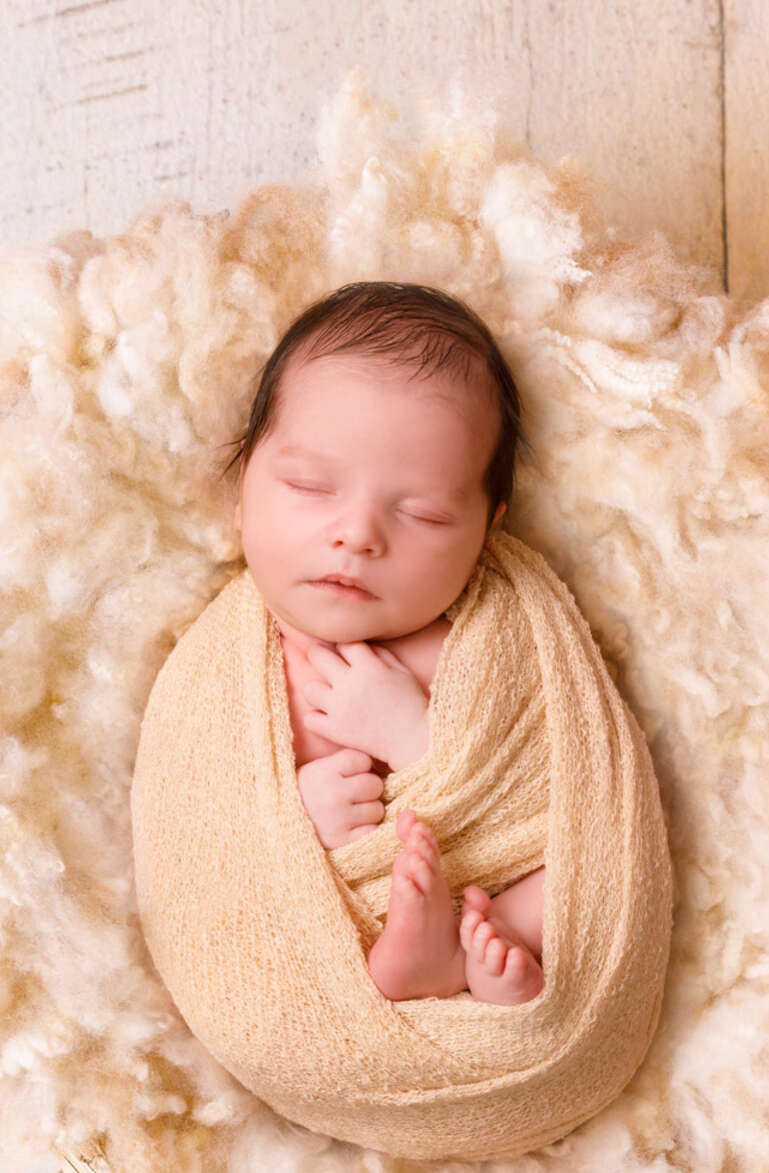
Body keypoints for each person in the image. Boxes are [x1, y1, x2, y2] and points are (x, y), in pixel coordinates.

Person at [220, 281, 546, 1006]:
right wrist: (296, 813)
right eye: (310, 486)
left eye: (424, 514)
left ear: (487, 531)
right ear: (242, 491)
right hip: (317, 953)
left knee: (595, 873)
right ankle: (426, 957)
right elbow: (203, 829)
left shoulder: (481, 644)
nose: (358, 534)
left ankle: (486, 949)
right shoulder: (225, 669)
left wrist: (418, 739)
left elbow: (558, 791)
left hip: (495, 895)